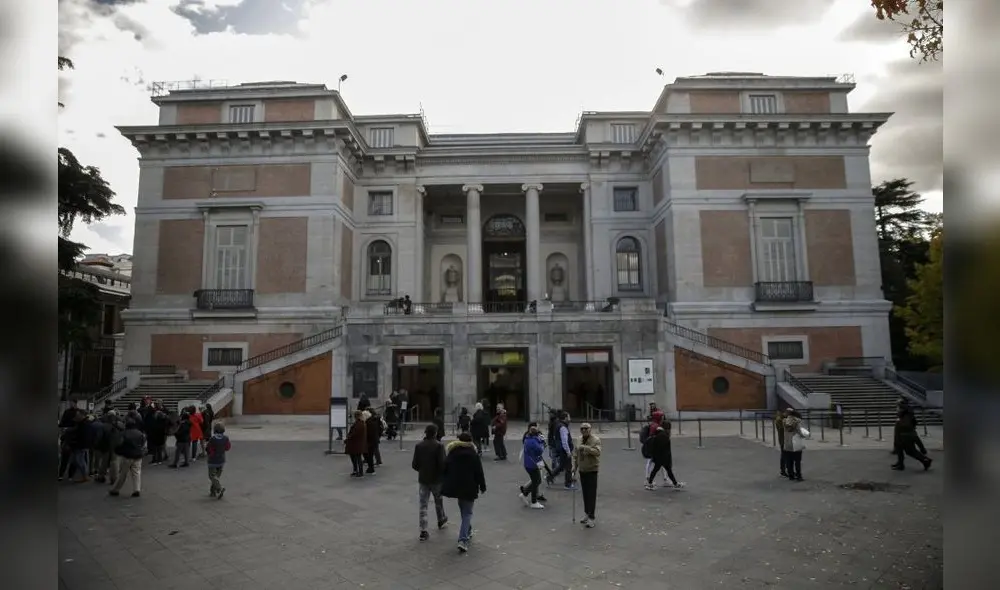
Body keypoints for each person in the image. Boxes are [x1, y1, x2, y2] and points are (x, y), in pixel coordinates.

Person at [441, 432, 486, 553]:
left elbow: (444, 469)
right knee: (467, 513)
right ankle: (463, 539)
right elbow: (479, 472)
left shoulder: (452, 453)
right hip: (469, 487)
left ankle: (468, 530)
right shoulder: (473, 454)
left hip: (455, 487)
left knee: (464, 510)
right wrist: (482, 486)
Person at [412, 424, 448, 541]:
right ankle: (441, 519)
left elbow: (415, 465)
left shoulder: (419, 446)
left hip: (423, 478)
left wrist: (422, 470)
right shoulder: (439, 446)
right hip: (436, 479)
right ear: (435, 433)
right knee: (439, 500)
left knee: (423, 504)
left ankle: (423, 529)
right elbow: (442, 464)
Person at [572, 422, 601, 528]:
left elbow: (597, 452)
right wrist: (574, 468)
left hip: (592, 470)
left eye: (586, 429)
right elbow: (575, 455)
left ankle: (591, 517)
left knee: (591, 494)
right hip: (582, 470)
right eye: (582, 429)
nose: (584, 430)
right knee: (585, 493)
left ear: (590, 429)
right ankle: (586, 514)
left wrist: (586, 448)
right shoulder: (578, 439)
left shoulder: (596, 439)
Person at [110, 419, 146, 498]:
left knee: (123, 474)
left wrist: (118, 450)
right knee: (136, 473)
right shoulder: (139, 433)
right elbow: (143, 443)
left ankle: (116, 490)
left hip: (127, 456)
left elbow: (119, 443)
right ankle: (136, 489)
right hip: (138, 455)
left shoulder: (123, 433)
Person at [892, 400, 932, 471]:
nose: (897, 408)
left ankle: (926, 460)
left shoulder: (904, 416)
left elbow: (905, 426)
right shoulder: (907, 414)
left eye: (898, 407)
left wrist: (899, 424)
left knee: (911, 451)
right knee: (901, 450)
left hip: (904, 437)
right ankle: (900, 463)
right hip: (905, 436)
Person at [645, 423, 684, 490]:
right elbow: (666, 449)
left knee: (657, 470)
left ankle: (650, 483)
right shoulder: (664, 436)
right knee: (666, 470)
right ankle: (675, 484)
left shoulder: (657, 436)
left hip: (659, 457)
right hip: (663, 457)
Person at [518, 422, 547, 509]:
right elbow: (540, 450)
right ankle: (532, 500)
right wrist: (542, 443)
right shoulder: (533, 441)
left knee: (537, 480)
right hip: (533, 464)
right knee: (536, 481)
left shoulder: (528, 438)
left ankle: (525, 492)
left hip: (531, 463)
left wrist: (541, 441)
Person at [547, 412, 575, 490]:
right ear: (565, 418)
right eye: (569, 417)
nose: (570, 419)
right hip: (564, 450)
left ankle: (549, 476)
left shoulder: (559, 425)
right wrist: (568, 452)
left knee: (561, 466)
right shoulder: (563, 427)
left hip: (561, 449)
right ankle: (568, 484)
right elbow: (565, 441)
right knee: (568, 467)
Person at [206, 422, 231, 499]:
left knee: (212, 476)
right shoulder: (226, 438)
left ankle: (220, 488)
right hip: (221, 460)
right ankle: (213, 491)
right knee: (216, 477)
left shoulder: (212, 439)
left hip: (213, 460)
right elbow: (227, 448)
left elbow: (209, 449)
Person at [781, 409, 805, 481]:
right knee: (797, 461)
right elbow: (800, 432)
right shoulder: (797, 422)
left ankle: (791, 475)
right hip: (796, 444)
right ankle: (798, 476)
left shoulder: (784, 421)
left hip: (787, 444)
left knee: (789, 460)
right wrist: (804, 435)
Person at [345, 410, 368, 478]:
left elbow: (354, 434)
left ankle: (360, 472)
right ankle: (356, 471)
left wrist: (348, 438)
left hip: (356, 443)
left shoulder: (360, 424)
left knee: (358, 458)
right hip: (357, 443)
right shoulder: (360, 423)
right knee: (355, 457)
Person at [364, 409, 383, 474]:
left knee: (371, 453)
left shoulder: (369, 422)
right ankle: (376, 463)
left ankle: (373, 465)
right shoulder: (374, 420)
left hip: (371, 441)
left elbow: (369, 433)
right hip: (374, 439)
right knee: (373, 452)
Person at [774, 410, 787, 477]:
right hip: (783, 440)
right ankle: (783, 470)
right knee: (784, 455)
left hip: (785, 439)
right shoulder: (779, 420)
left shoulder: (782, 419)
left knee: (786, 455)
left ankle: (785, 469)